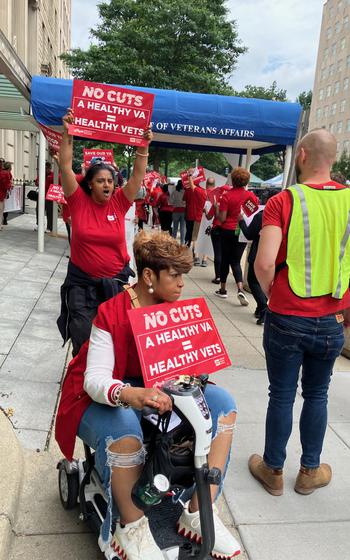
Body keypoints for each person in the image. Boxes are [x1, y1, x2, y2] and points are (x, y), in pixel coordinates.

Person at [55, 230, 240, 560]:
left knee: (223, 404)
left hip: (158, 395)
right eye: (175, 275)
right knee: (125, 421)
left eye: (183, 275)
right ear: (148, 276)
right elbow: (94, 380)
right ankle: (131, 528)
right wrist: (131, 393)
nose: (183, 283)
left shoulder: (175, 311)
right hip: (100, 399)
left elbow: (186, 371)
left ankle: (199, 512)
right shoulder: (112, 312)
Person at [248, 128, 350, 496]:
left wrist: (274, 295)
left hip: (287, 316)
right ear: (334, 159)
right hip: (332, 320)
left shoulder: (283, 201)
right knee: (318, 394)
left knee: (282, 394)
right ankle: (310, 471)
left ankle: (273, 469)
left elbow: (263, 263)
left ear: (302, 156)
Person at [56, 108, 153, 356]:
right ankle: (80, 388)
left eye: (110, 181)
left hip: (116, 285)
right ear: (90, 183)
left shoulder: (119, 203)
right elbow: (65, 167)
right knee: (84, 342)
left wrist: (143, 146)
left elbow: (137, 176)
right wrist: (68, 132)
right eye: (101, 180)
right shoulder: (77, 200)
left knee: (114, 343)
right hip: (81, 286)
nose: (107, 184)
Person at [215, 167, 259, 305]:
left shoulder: (226, 196)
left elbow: (221, 218)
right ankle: (240, 288)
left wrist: (217, 208)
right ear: (246, 181)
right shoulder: (251, 196)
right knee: (236, 261)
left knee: (225, 260)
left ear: (233, 180)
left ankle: (222, 289)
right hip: (241, 231)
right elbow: (252, 215)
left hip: (227, 230)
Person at [238, 190, 276, 325]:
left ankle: (264, 308)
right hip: (277, 255)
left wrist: (241, 221)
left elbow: (249, 234)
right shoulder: (285, 215)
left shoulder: (261, 216)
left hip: (259, 254)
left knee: (252, 281)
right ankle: (260, 308)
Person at [206, 183, 232, 284]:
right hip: (227, 229)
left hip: (216, 229)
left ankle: (218, 276)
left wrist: (205, 211)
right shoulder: (230, 202)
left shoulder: (216, 202)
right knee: (225, 254)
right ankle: (223, 276)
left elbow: (209, 217)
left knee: (217, 253)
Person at [183, 169, 207, 257]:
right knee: (195, 236)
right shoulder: (203, 192)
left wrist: (189, 175)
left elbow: (184, 201)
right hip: (198, 217)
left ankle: (186, 250)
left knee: (188, 234)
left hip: (189, 215)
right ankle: (194, 254)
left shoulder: (190, 190)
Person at [195, 177, 216, 267]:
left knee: (197, 236)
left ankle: (196, 257)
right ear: (214, 185)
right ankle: (204, 259)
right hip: (211, 219)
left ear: (206, 184)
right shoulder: (216, 195)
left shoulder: (202, 192)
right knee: (208, 237)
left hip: (199, 217)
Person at [170, 179, 186, 244]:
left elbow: (170, 202)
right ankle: (182, 243)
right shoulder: (185, 192)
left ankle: (173, 242)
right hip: (184, 211)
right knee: (183, 228)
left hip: (175, 211)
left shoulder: (174, 192)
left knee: (175, 228)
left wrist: (175, 203)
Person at [0, 160, 12, 230]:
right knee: (1, 210)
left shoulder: (1, 172)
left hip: (1, 192)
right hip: (1, 193)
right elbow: (6, 185)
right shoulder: (6, 174)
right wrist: (10, 186)